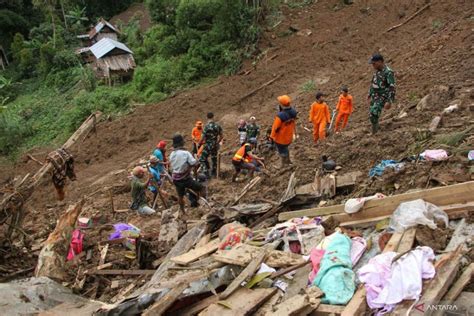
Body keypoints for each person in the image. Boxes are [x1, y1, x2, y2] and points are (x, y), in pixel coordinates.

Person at [169, 134, 203, 211]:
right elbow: (194, 163)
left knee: (180, 196)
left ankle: (182, 211)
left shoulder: (172, 154)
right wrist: (197, 159)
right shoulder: (185, 153)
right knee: (201, 188)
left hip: (176, 179)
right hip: (185, 178)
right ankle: (202, 206)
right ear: (181, 143)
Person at [368, 53, 396, 134]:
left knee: (374, 113)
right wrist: (370, 95)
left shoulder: (388, 72)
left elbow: (392, 87)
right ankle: (375, 131)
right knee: (372, 115)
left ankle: (375, 133)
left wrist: (389, 101)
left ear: (380, 62)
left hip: (382, 96)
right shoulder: (377, 71)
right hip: (375, 96)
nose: (372, 65)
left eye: (374, 63)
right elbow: (373, 83)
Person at [270, 95, 297, 167]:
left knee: (282, 151)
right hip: (289, 137)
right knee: (286, 148)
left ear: (281, 105)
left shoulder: (280, 116)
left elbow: (275, 128)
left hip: (280, 139)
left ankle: (282, 164)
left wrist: (272, 137)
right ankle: (288, 161)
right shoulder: (294, 112)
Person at [199, 112, 223, 178]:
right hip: (215, 144)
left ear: (207, 117)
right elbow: (221, 136)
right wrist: (217, 142)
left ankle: (205, 171)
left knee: (202, 159)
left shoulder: (206, 126)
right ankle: (214, 173)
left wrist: (199, 143)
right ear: (213, 117)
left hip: (208, 145)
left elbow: (202, 137)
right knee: (214, 159)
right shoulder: (218, 126)